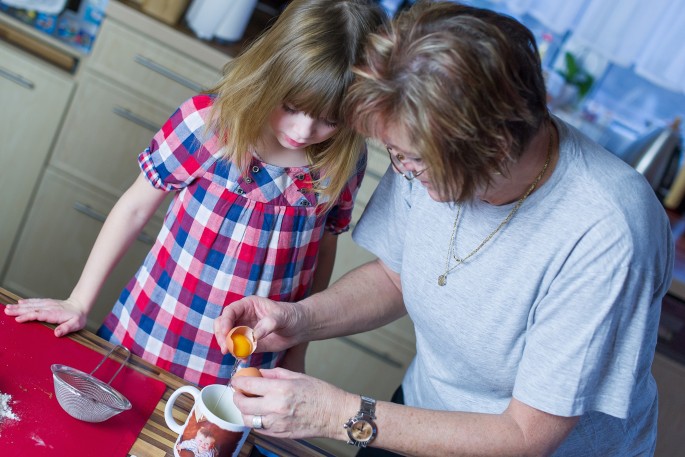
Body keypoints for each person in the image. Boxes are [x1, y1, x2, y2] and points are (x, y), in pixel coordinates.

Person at [212, 1, 674, 455]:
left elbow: (527, 435)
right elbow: (397, 276)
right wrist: (299, 321)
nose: (407, 175)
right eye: (397, 155)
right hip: (419, 414)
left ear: (493, 148)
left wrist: (336, 415)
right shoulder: (420, 137)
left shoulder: (609, 230)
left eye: (417, 164)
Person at [4, 0, 385, 386]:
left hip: (251, 362)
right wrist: (79, 301)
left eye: (329, 121)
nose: (304, 131)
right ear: (270, 72)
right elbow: (135, 207)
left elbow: (322, 250)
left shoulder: (343, 162)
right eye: (291, 106)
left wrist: (299, 348)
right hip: (152, 333)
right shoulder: (210, 125)